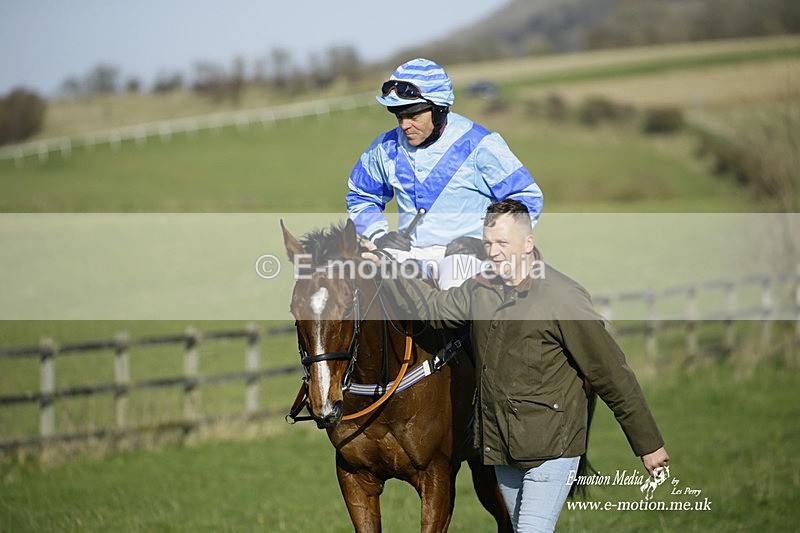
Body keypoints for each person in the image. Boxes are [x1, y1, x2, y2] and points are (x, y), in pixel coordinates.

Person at [362, 199, 669, 532]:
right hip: (502, 448)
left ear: (528, 243)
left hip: (552, 447)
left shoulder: (563, 298)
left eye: (502, 243)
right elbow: (434, 306)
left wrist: (648, 445)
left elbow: (610, 374)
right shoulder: (481, 288)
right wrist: (389, 270)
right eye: (488, 243)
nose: (493, 252)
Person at [346, 58, 543, 289]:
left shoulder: (481, 144)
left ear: (439, 110)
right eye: (399, 116)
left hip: (469, 257)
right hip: (407, 255)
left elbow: (527, 198)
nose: (404, 125)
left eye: (413, 116)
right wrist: (378, 235)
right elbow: (361, 197)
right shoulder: (384, 147)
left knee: (453, 292)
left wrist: (484, 243)